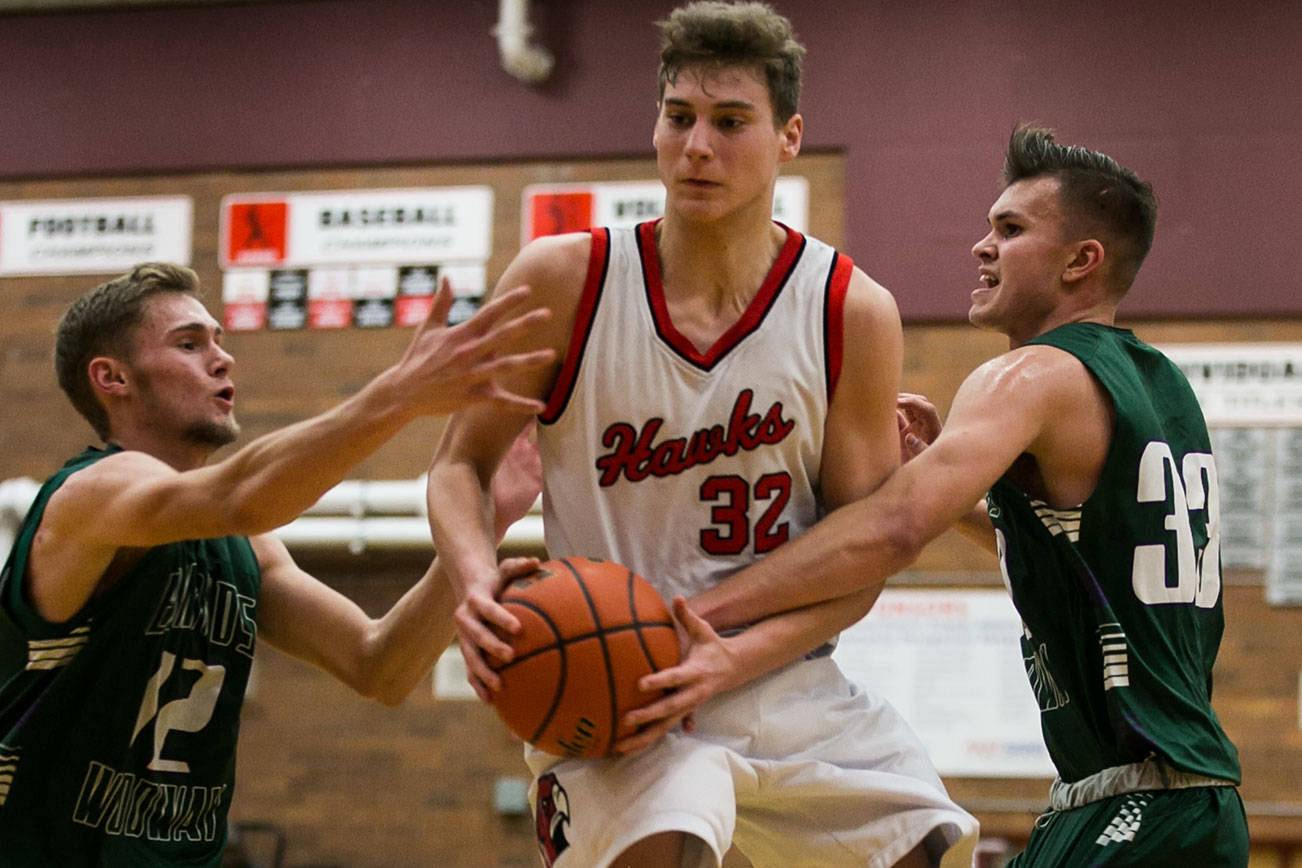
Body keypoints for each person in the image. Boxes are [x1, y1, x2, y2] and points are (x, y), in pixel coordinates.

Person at [425, 3, 978, 866]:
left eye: (730, 123)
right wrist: (474, 582)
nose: (696, 147)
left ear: (789, 137)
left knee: (928, 848)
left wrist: (730, 658)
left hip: (781, 678)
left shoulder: (849, 312)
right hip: (617, 687)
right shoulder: (564, 280)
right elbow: (459, 466)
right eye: (678, 118)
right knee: (667, 844)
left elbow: (859, 564)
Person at [662, 125, 1249, 865]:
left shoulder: (1029, 375)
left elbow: (894, 529)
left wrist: (693, 617)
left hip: (1136, 803)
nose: (982, 246)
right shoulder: (1160, 386)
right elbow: (1075, 552)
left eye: (1010, 229)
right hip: (1186, 801)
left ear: (1081, 261)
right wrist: (950, 473)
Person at [0, 262, 554, 866]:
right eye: (189, 344)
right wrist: (398, 394)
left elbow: (379, 664)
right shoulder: (88, 494)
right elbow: (243, 493)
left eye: (219, 340)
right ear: (112, 378)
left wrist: (486, 522)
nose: (222, 359)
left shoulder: (245, 544)